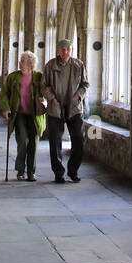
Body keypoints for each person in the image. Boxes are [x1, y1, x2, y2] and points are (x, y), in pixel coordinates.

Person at [43, 39, 88, 183]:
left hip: (74, 108)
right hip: (55, 108)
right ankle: (58, 172)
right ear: (58, 51)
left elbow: (85, 85)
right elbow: (43, 85)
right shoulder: (50, 66)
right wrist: (52, 98)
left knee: (79, 140)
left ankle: (73, 170)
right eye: (62, 49)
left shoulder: (78, 65)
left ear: (72, 50)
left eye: (68, 49)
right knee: (55, 142)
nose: (65, 52)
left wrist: (78, 96)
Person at [0, 51, 47, 181]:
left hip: (35, 115)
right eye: (20, 60)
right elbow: (4, 94)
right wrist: (5, 109)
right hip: (19, 113)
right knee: (22, 141)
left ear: (30, 64)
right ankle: (21, 170)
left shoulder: (39, 77)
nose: (20, 63)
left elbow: (47, 89)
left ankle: (31, 171)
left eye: (22, 61)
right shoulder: (13, 77)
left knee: (34, 142)